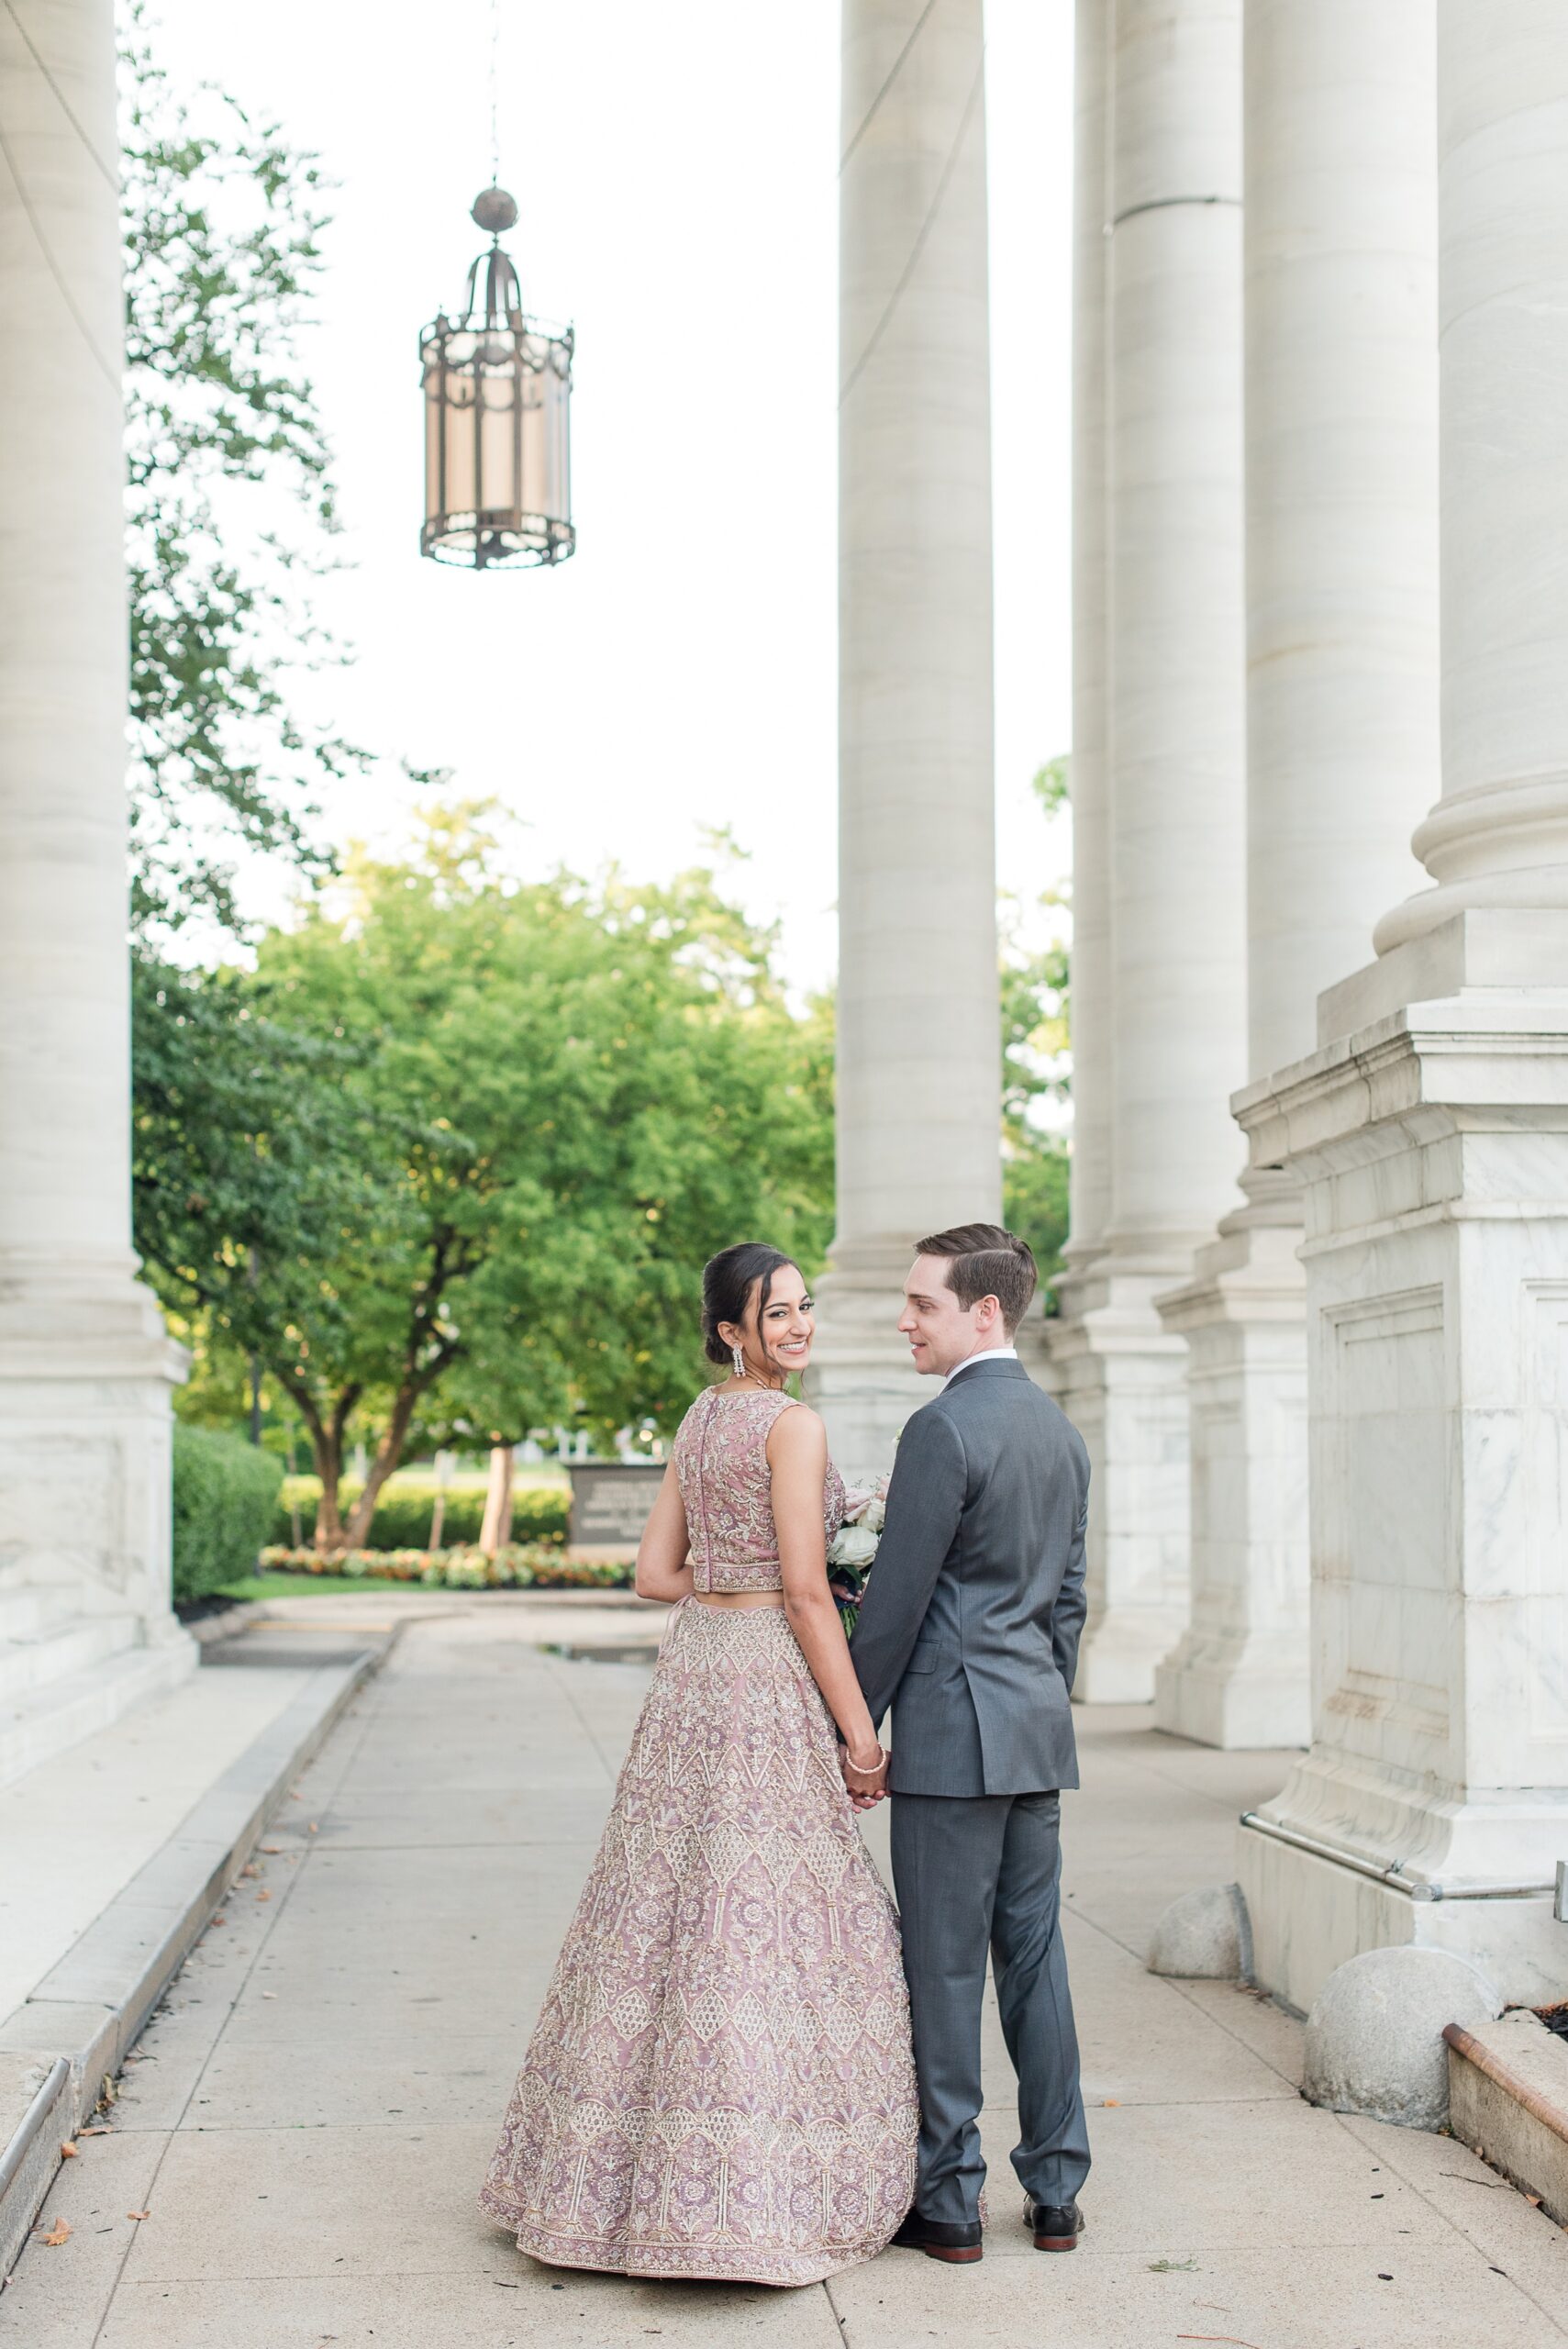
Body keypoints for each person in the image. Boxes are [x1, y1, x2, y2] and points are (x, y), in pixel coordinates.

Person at [479, 1242, 917, 2286]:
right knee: (771, 1917)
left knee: (664, 1910)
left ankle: (602, 2187)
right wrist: (858, 1733)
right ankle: (764, 2186)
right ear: (731, 1330)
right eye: (777, 1315)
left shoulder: (697, 1417)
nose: (798, 1327)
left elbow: (649, 1573)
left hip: (694, 1672)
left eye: (804, 1308)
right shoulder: (791, 1424)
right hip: (765, 1669)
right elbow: (810, 1596)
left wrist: (724, 1587)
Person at [847, 1221, 1091, 2266]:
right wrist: (1037, 1697)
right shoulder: (1059, 1432)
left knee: (942, 1968)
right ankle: (1055, 2191)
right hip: (1032, 1730)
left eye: (922, 1304)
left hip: (950, 1738)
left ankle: (947, 2199)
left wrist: (850, 1725)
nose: (904, 1319)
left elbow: (894, 1605)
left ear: (983, 1311)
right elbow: (1068, 1603)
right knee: (1033, 1959)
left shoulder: (940, 1430)